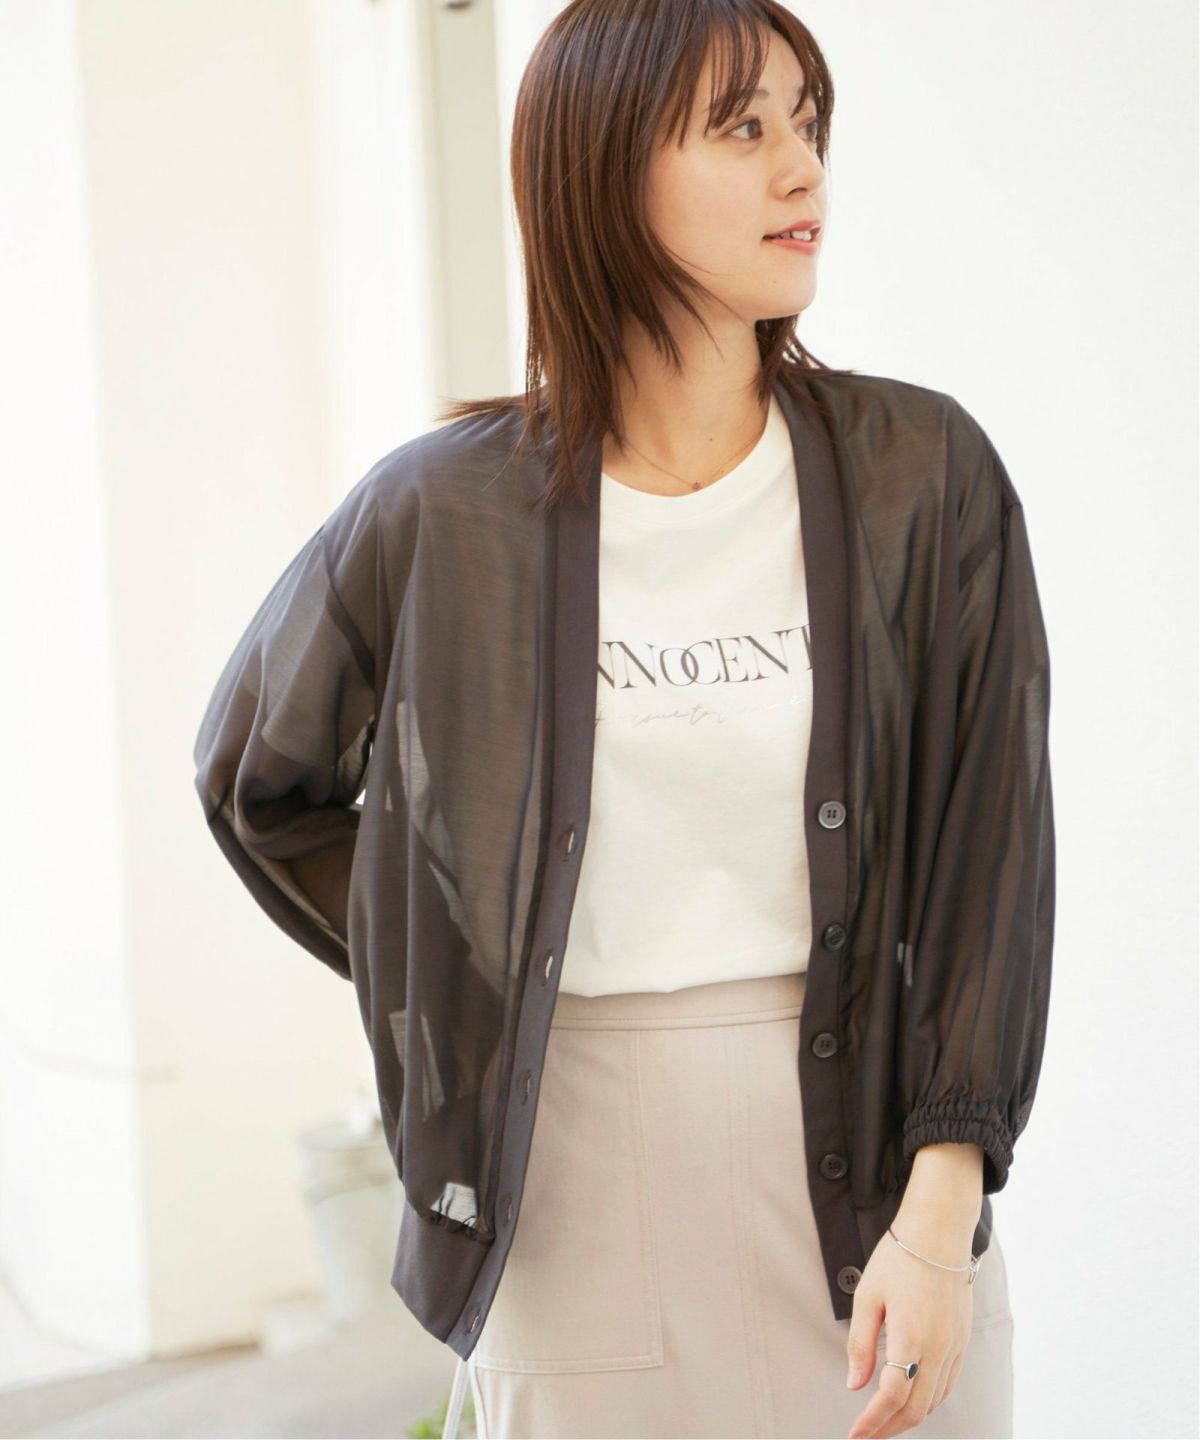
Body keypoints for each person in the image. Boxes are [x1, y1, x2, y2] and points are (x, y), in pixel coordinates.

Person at [193, 2, 1055, 1437]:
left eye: (806, 123)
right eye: (743, 127)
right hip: (573, 1199)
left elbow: (991, 864)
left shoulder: (926, 477)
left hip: (880, 1203)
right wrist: (463, 963)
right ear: (603, 169)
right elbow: (257, 780)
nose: (803, 168)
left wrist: (941, 1206)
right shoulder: (442, 513)